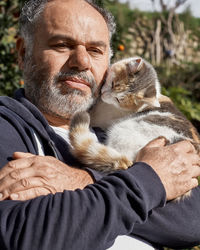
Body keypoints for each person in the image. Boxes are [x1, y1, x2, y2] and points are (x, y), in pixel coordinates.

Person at [0, 0, 199, 249]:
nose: (81, 61)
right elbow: (29, 233)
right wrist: (150, 182)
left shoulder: (110, 131)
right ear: (22, 53)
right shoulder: (7, 128)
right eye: (62, 45)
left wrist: (83, 180)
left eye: (95, 50)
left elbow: (192, 220)